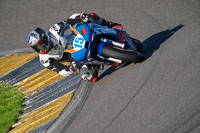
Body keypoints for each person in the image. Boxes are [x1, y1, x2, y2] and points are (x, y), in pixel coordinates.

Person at [27, 12, 122, 81]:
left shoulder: (53, 30)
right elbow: (60, 70)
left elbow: (69, 21)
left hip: (74, 40)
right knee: (88, 76)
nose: (41, 48)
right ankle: (96, 64)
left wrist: (81, 19)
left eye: (40, 44)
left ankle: (109, 25)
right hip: (75, 58)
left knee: (88, 16)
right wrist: (70, 68)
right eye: (37, 47)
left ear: (44, 37)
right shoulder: (45, 59)